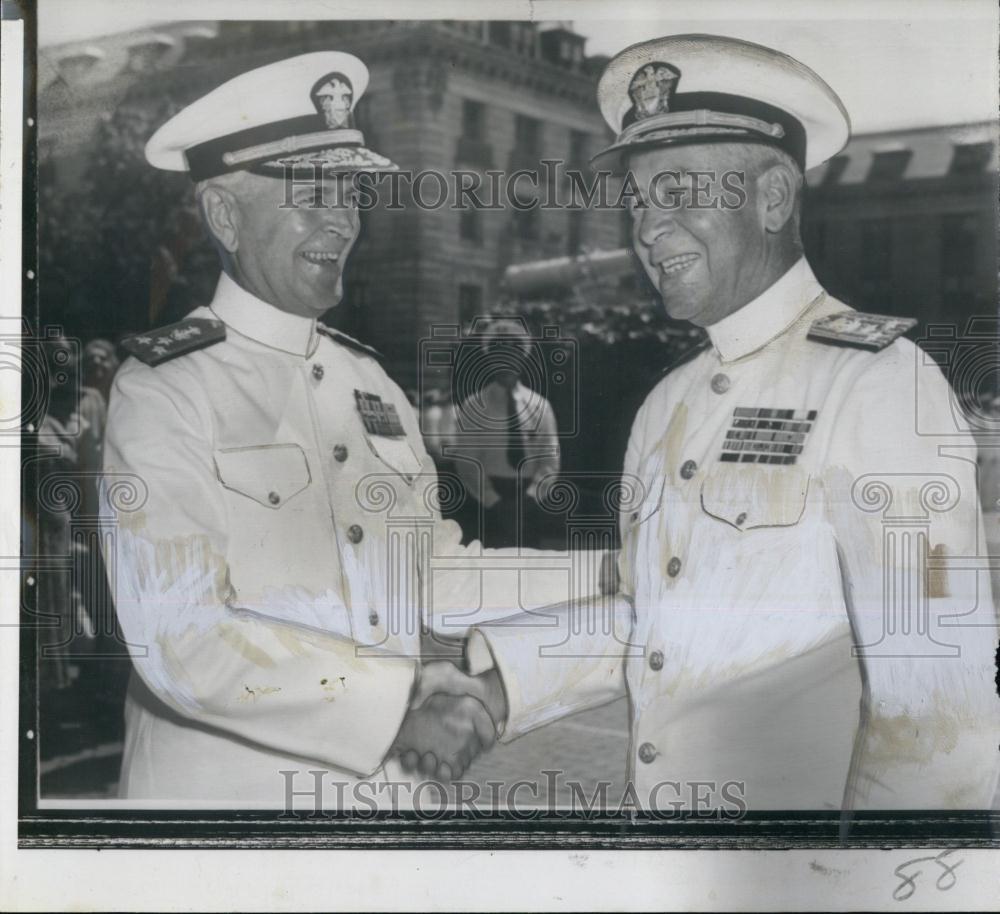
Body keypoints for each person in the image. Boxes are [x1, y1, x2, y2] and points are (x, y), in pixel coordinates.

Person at [418, 35, 1000, 814]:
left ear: (772, 198)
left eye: (680, 191)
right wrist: (499, 690)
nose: (647, 230)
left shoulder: (880, 384)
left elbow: (940, 711)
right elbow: (667, 616)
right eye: (637, 202)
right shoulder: (669, 403)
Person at [100, 52, 597, 804]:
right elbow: (181, 641)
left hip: (386, 808)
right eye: (310, 195)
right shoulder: (166, 390)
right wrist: (395, 711)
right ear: (226, 216)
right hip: (235, 820)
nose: (343, 218)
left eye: (350, 192)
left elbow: (433, 574)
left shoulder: (373, 383)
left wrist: (614, 573)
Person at [446, 319, 561, 548]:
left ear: (522, 358)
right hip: (489, 506)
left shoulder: (540, 406)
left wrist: (531, 497)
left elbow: (550, 460)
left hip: (529, 505)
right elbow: (467, 463)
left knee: (528, 575)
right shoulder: (474, 406)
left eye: (514, 353)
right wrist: (494, 502)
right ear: (490, 360)